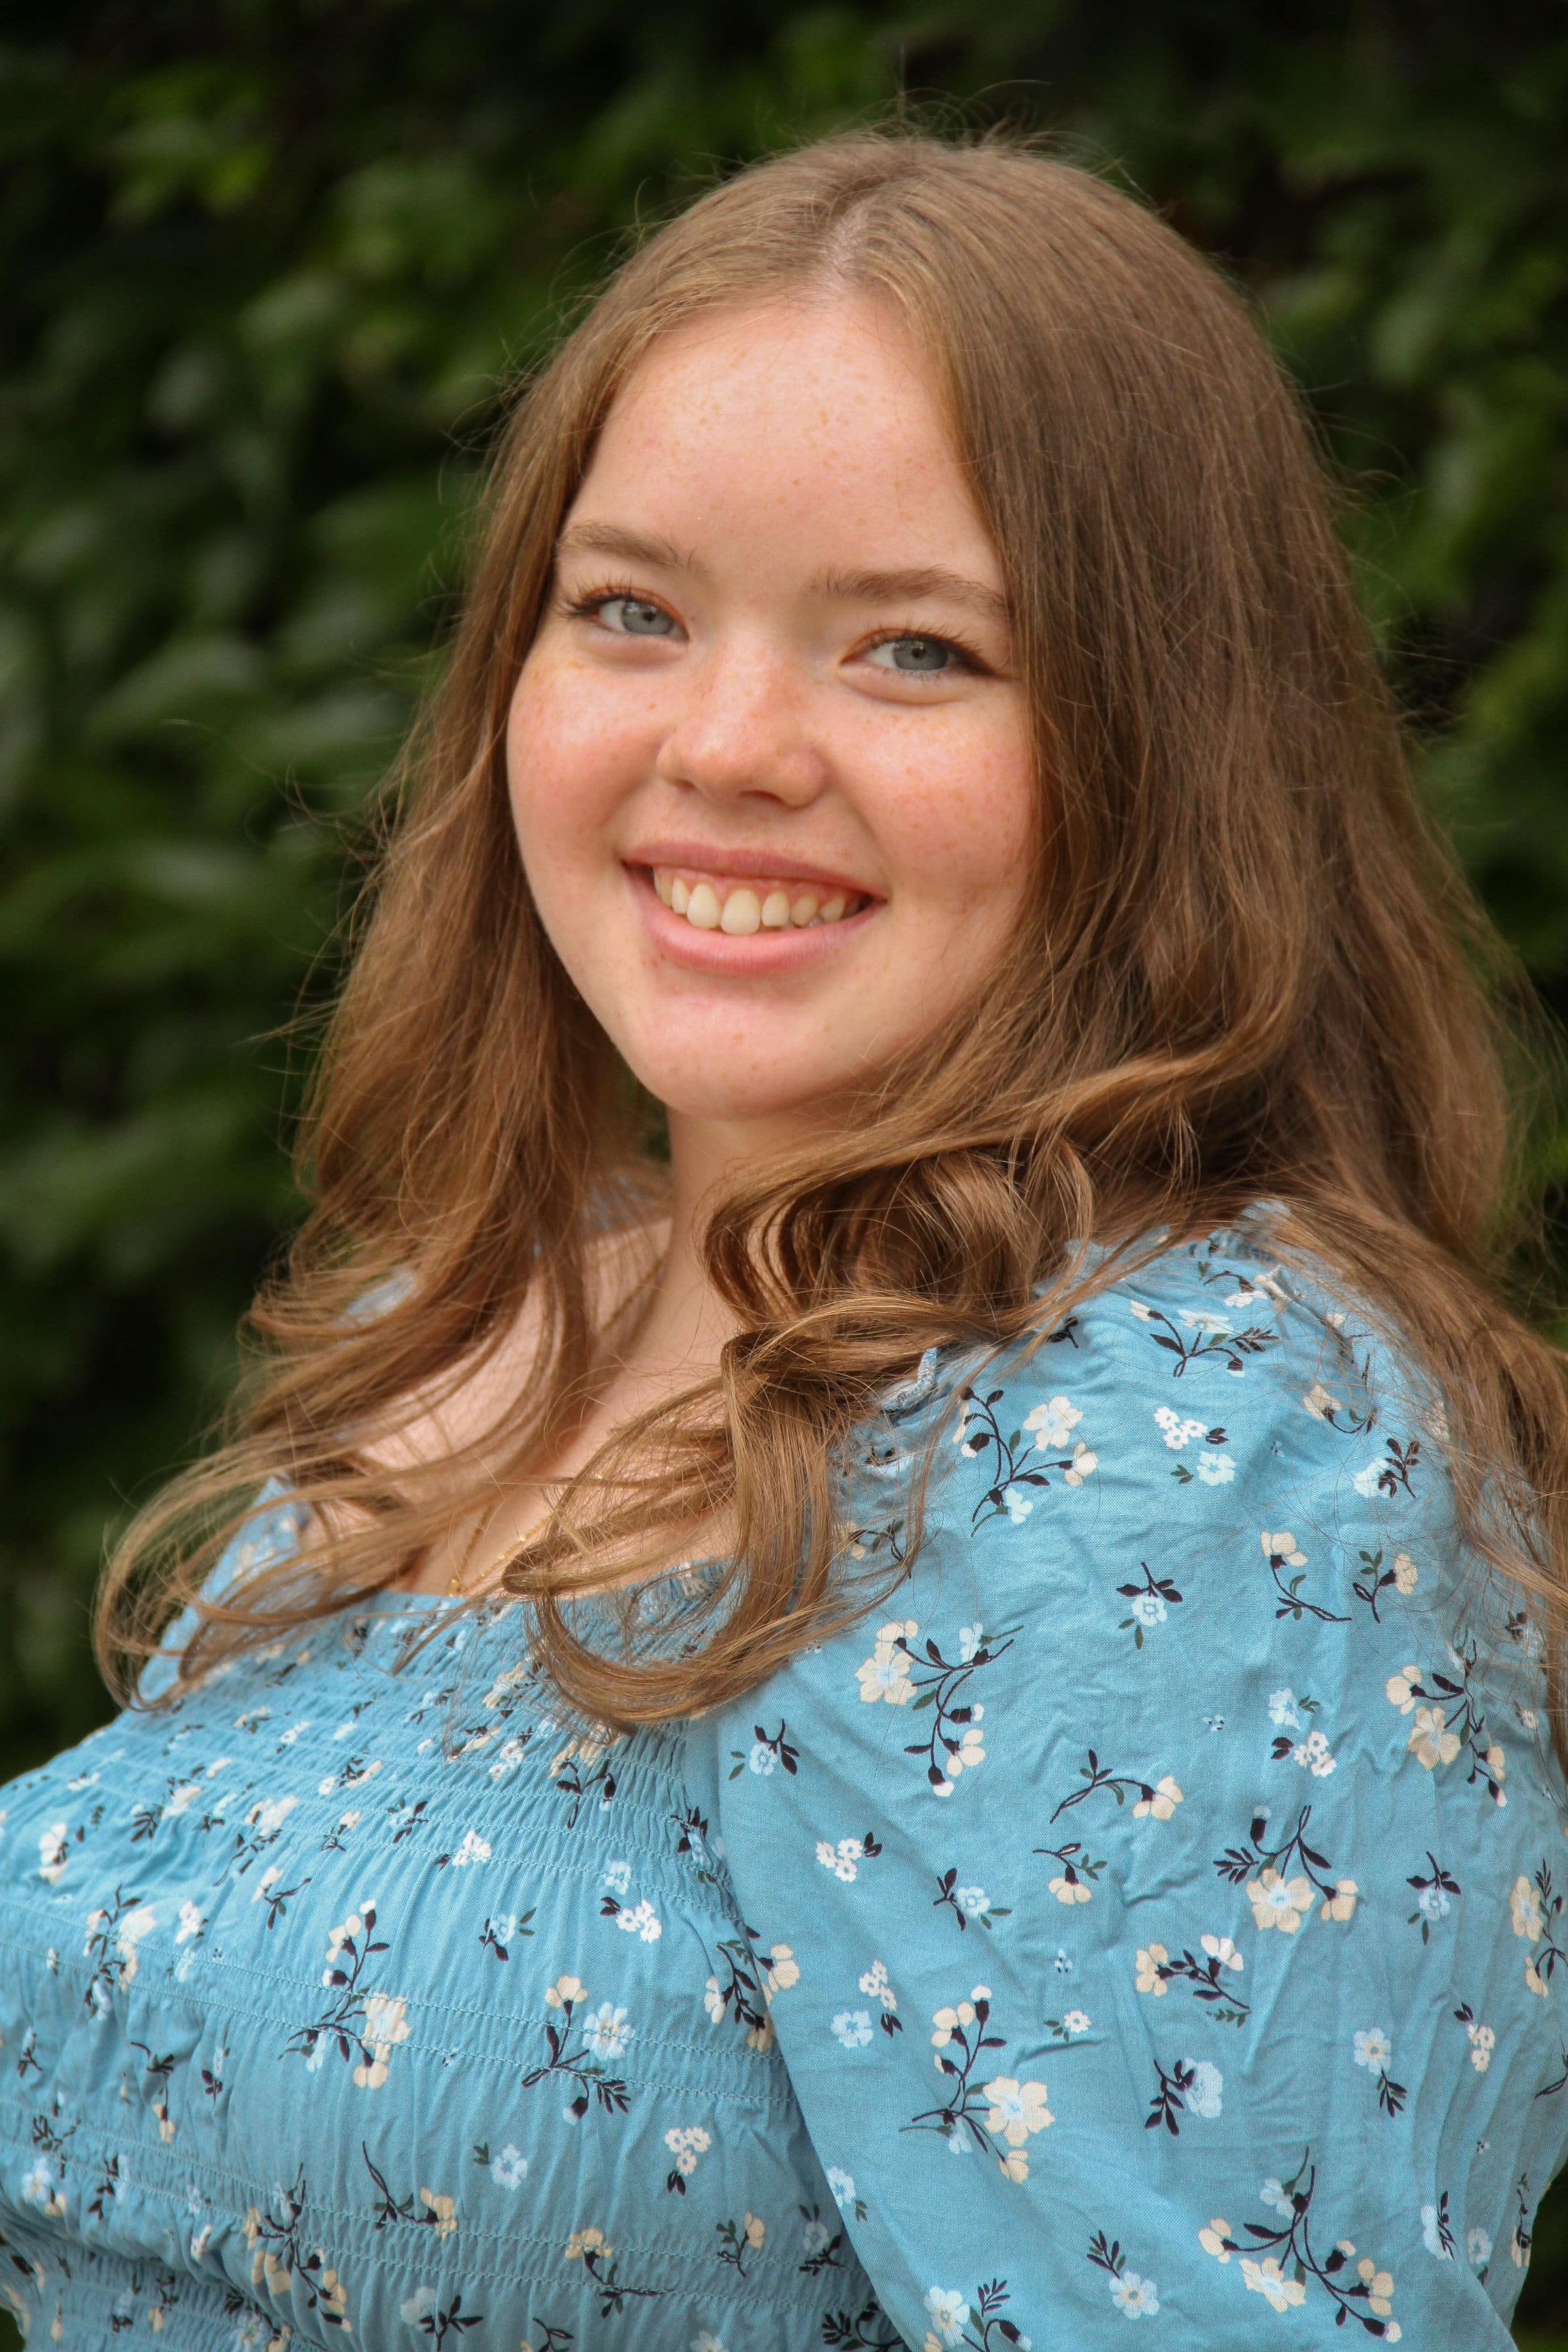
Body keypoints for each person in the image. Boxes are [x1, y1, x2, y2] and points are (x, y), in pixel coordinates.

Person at [1, 125, 1565, 2352]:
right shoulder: (464, 1324)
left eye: (914, 652)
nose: (727, 745)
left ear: (1161, 752)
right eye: (629, 608)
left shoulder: (1199, 1434)